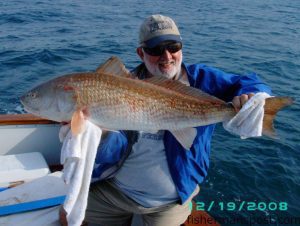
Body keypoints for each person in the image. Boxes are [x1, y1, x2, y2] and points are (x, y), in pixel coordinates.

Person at [60, 14, 272, 226]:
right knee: (67, 218)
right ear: (141, 53)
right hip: (115, 190)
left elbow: (249, 81)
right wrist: (99, 133)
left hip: (168, 201)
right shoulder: (121, 87)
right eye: (155, 49)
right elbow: (112, 152)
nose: (167, 55)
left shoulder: (203, 79)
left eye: (173, 46)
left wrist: (254, 97)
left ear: (182, 48)